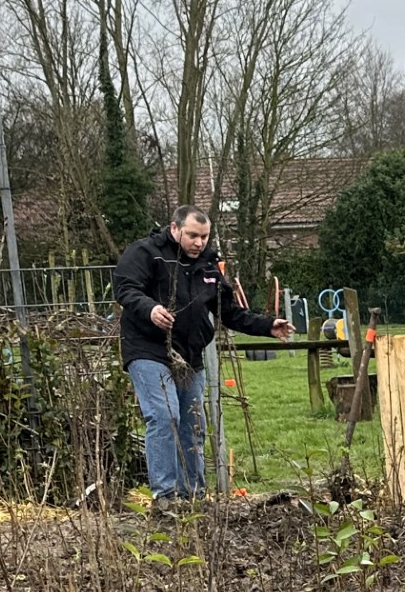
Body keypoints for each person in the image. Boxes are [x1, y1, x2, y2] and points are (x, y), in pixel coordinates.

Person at [113, 205, 291, 505]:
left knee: (192, 424)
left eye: (204, 237)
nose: (199, 242)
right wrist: (151, 309)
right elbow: (126, 288)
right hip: (148, 348)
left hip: (190, 354)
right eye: (193, 235)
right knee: (164, 415)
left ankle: (193, 497)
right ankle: (164, 497)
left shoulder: (208, 265)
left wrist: (266, 325)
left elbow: (229, 312)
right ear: (175, 228)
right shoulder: (146, 253)